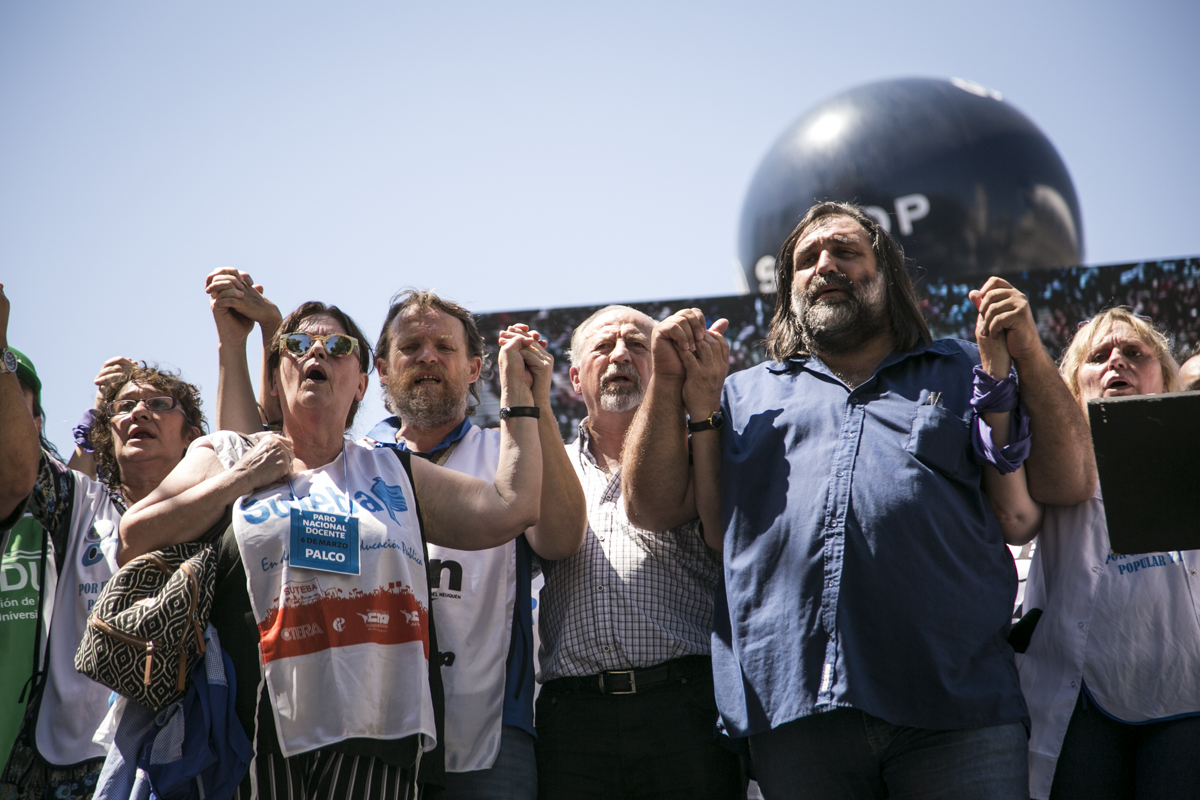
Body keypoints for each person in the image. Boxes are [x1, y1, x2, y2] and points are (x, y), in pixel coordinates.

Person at [622, 202, 1096, 799]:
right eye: (807, 259)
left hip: (956, 703)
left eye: (846, 252)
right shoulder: (738, 396)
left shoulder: (965, 369)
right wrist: (668, 382)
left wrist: (1027, 351)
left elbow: (1070, 480)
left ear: (888, 275)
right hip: (793, 710)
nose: (825, 264)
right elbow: (650, 507)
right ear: (788, 288)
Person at [118, 300, 549, 799]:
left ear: (362, 384)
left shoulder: (394, 470)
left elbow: (511, 508)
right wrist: (239, 481)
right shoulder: (230, 454)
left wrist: (519, 397)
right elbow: (134, 536)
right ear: (275, 379)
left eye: (339, 346)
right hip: (255, 732)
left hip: (379, 736)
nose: (317, 352)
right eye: (298, 344)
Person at [1, 284, 208, 800]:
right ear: (106, 434)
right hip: (69, 764)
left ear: (192, 435)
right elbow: (17, 468)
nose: (139, 412)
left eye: (159, 404)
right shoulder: (78, 500)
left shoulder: (215, 509)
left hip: (177, 758)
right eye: (125, 405)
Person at [534, 305, 744, 800]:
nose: (620, 356)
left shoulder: (707, 447)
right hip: (574, 720)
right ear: (574, 378)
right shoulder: (544, 465)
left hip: (685, 709)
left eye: (637, 345)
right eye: (603, 346)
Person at [1017, 308, 1199, 800]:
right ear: (1072, 387)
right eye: (1099, 356)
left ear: (1165, 377)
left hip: (1185, 692)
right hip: (1081, 701)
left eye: (1135, 353)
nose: (1117, 361)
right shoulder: (1043, 457)